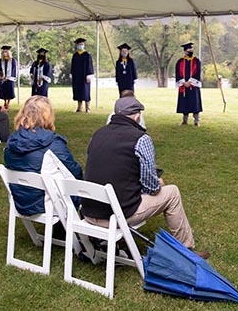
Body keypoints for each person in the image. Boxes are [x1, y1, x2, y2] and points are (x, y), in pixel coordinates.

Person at [83, 96, 209, 259]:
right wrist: (158, 183)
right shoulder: (140, 139)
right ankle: (186, 250)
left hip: (89, 210)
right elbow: (151, 187)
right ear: (136, 116)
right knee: (172, 193)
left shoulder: (98, 134)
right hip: (116, 214)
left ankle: (121, 241)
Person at [4, 96, 82, 216]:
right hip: (47, 202)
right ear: (48, 115)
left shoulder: (12, 141)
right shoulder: (52, 142)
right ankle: (68, 230)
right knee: (81, 189)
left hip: (21, 200)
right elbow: (74, 171)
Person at [175, 42, 203, 126]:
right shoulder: (180, 62)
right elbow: (177, 73)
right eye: (189, 50)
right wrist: (183, 82)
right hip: (184, 86)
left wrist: (190, 82)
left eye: (191, 50)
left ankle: (196, 120)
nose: (190, 51)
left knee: (195, 103)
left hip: (193, 86)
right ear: (185, 52)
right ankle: (185, 120)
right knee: (184, 103)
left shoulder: (196, 61)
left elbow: (197, 73)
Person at [70, 38, 94, 113]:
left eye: (82, 44)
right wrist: (71, 74)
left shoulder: (87, 55)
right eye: (79, 45)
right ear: (77, 45)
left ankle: (88, 107)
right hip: (77, 77)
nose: (81, 46)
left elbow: (90, 65)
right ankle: (79, 107)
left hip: (85, 76)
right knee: (78, 91)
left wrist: (89, 75)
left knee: (86, 91)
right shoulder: (75, 55)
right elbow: (73, 66)